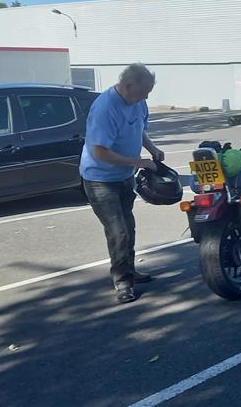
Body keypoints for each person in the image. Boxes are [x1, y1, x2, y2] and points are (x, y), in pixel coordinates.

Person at [79, 63, 164, 304]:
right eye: (144, 91)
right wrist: (138, 162)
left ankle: (129, 269)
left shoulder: (138, 102)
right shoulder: (106, 108)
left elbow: (140, 130)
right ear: (128, 86)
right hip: (100, 179)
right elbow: (99, 152)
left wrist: (152, 149)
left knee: (129, 226)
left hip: (124, 177)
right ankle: (122, 281)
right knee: (118, 231)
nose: (147, 97)